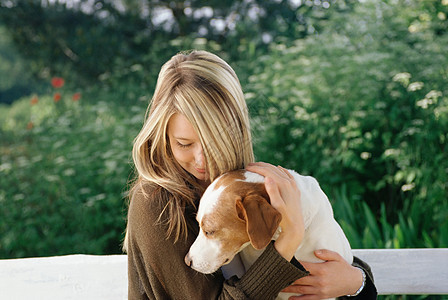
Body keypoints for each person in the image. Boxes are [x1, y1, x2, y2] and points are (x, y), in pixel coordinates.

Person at [123, 50, 377, 299]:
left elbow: (328, 255)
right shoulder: (155, 202)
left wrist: (357, 282)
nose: (202, 159)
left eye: (213, 141)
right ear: (164, 138)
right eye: (184, 144)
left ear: (236, 131)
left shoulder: (239, 185)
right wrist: (289, 237)